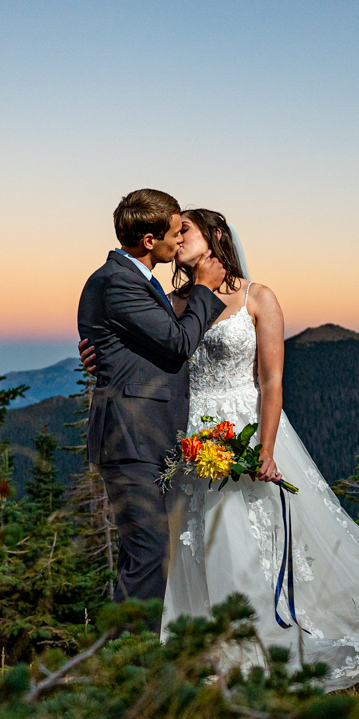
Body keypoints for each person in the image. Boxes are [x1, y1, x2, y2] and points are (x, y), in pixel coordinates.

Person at [84, 208, 359, 689]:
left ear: (215, 237)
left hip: (246, 425)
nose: (177, 241)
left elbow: (272, 380)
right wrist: (98, 354)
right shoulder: (170, 301)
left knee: (248, 533)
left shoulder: (257, 296)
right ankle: (198, 643)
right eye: (174, 233)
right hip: (188, 435)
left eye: (186, 231)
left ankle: (264, 627)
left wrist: (268, 446)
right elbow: (148, 348)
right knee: (190, 538)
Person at [76, 190, 227, 626]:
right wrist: (203, 288)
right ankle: (128, 671)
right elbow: (178, 343)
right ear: (148, 239)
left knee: (144, 553)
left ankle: (125, 665)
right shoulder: (117, 280)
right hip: (130, 435)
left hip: (148, 435)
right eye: (175, 231)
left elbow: (133, 346)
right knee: (148, 552)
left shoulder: (133, 279)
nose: (179, 240)